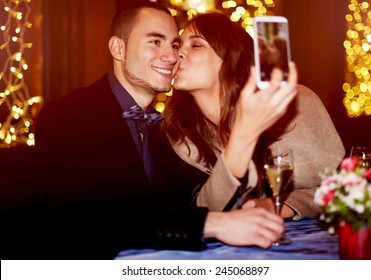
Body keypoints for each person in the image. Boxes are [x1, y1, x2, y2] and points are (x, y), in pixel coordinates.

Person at [0, 2, 285, 260]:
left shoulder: (165, 129)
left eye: (174, 45)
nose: (172, 57)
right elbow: (89, 216)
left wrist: (246, 205)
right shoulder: (67, 113)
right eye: (154, 42)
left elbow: (197, 196)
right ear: (118, 49)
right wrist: (212, 224)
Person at [163, 12, 345, 220]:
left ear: (230, 58)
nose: (178, 54)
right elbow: (203, 212)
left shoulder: (294, 104)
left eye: (196, 45)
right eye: (178, 46)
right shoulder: (177, 132)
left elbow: (345, 188)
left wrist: (278, 205)